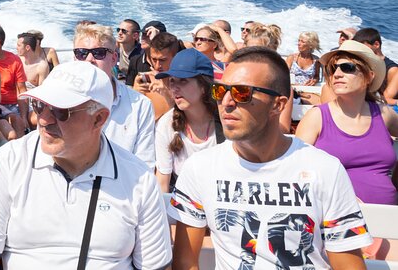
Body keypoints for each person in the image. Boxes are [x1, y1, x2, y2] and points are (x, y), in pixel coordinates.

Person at [170, 47, 372, 270]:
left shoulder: (325, 170)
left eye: (241, 93)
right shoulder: (200, 168)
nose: (226, 102)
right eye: (219, 91)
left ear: (278, 105)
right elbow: (185, 262)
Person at [0, 61, 172, 269]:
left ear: (99, 119)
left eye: (61, 112)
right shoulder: (8, 162)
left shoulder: (139, 180)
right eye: (39, 106)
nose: (43, 120)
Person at [296, 40, 398, 205]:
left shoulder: (384, 114)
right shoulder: (317, 117)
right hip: (335, 219)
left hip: (388, 222)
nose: (336, 74)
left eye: (347, 68)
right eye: (332, 69)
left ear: (369, 76)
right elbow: (296, 172)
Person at [74, 23, 156, 168]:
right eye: (81, 53)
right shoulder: (60, 102)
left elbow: (144, 165)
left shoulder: (140, 106)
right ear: (74, 59)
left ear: (114, 58)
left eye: (99, 53)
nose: (89, 59)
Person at [153, 49, 224, 193]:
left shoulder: (225, 120)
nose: (174, 88)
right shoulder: (167, 124)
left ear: (204, 86)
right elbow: (162, 180)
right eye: (172, 81)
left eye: (183, 81)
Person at [0, 24, 29, 136]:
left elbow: (22, 90)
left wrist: (24, 117)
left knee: (25, 121)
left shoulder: (14, 60)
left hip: (12, 105)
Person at [132, 32, 182, 120]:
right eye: (154, 59)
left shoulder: (186, 82)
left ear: (176, 57)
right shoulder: (144, 80)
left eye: (163, 60)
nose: (157, 65)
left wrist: (167, 94)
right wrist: (134, 94)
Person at [353, 27, 398, 106]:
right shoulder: (364, 64)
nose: (360, 50)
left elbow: (386, 99)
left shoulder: (393, 70)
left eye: (363, 47)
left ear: (376, 45)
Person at [126, 20, 167, 86]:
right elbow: (129, 87)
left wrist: (157, 41)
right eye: (143, 34)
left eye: (148, 34)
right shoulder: (135, 60)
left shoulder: (169, 60)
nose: (143, 37)